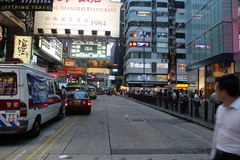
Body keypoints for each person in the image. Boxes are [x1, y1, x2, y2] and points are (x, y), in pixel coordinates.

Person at [211, 74, 240, 160]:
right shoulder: (220, 109)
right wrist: (213, 154)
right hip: (219, 154)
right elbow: (217, 133)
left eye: (216, 90)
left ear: (224, 92)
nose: (215, 92)